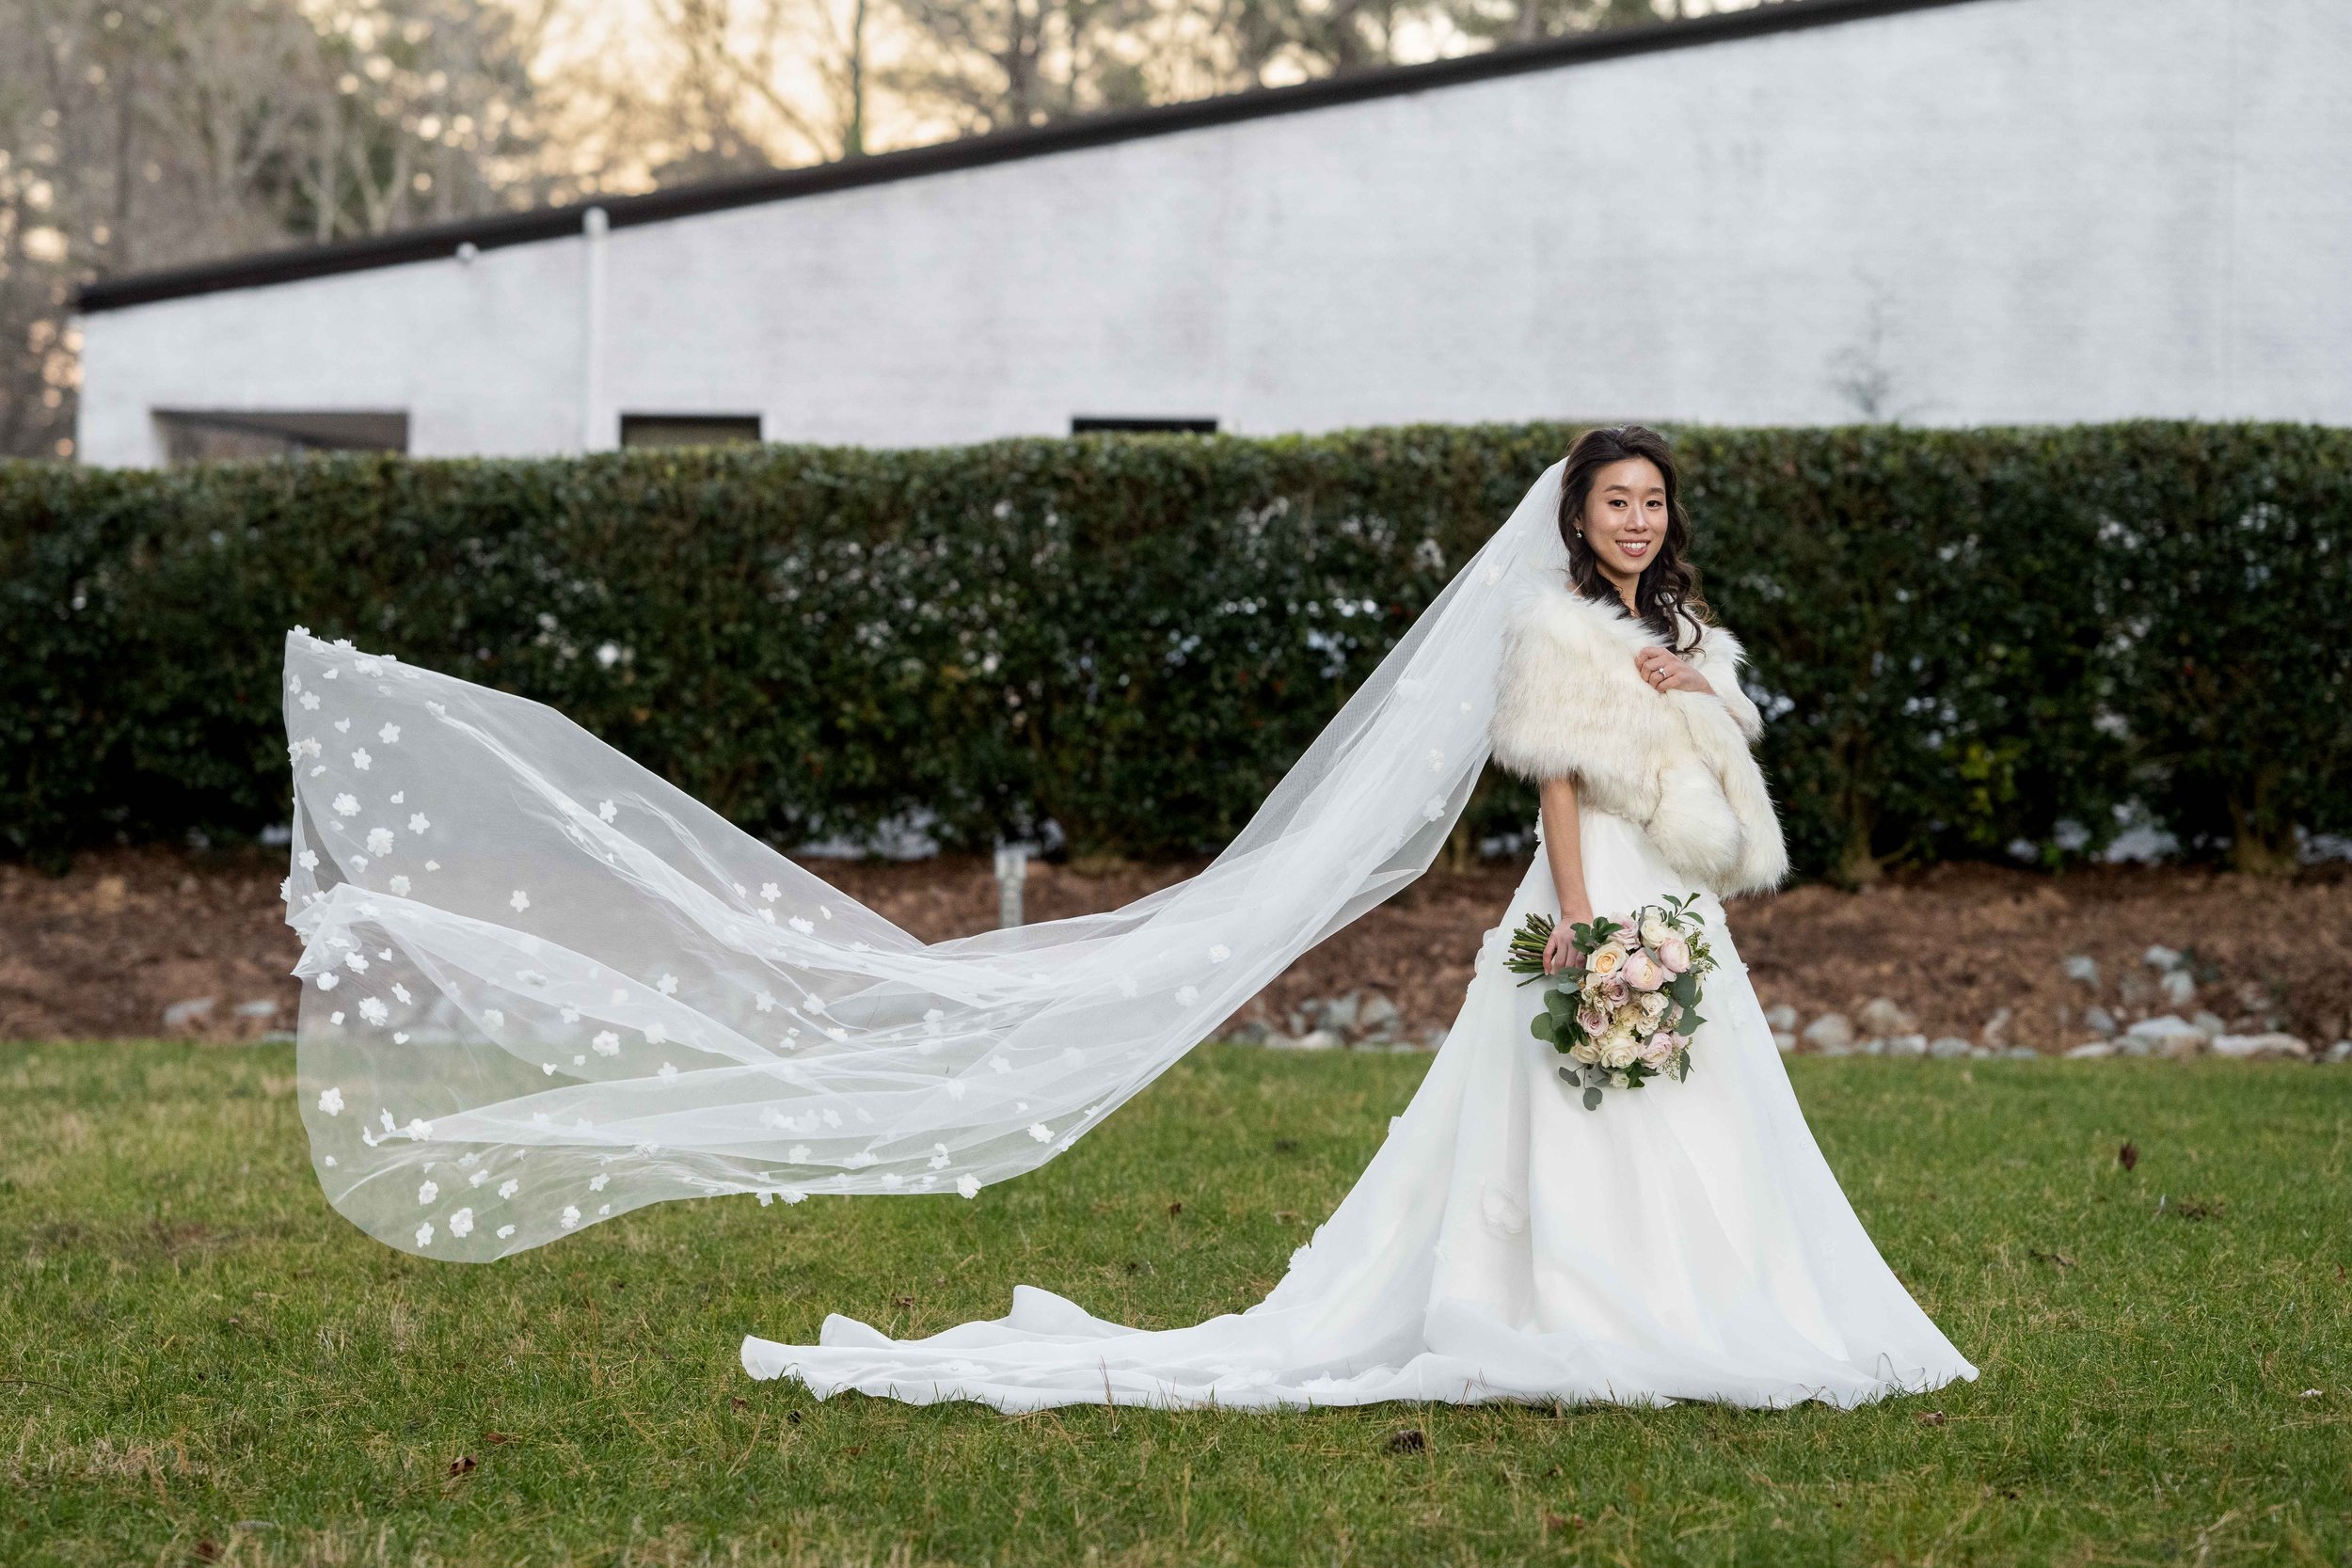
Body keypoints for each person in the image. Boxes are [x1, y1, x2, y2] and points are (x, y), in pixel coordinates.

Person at [737, 427, 1979, 1409]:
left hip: (1683, 886)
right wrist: (1583, 925)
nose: (1638, 521)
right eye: (1616, 503)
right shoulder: (1555, 628)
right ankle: (1578, 1303)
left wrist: (1693, 683)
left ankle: (1712, 1286)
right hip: (1598, 875)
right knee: (1568, 1085)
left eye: (1653, 501)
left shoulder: (1694, 632)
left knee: (1697, 1090)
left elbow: (1724, 751)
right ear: (1578, 516)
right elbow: (1557, 785)